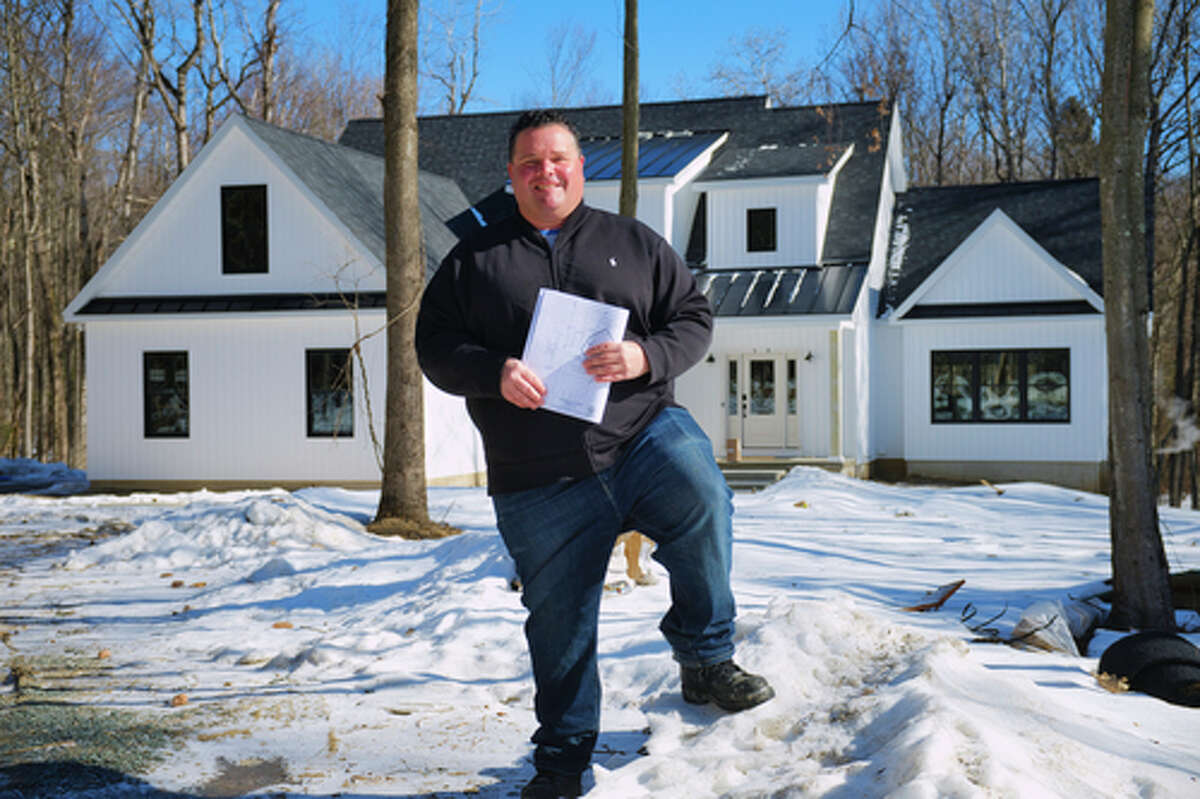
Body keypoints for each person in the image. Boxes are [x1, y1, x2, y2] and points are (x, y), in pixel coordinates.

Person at [415, 109, 774, 799]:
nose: (545, 172)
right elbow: (433, 347)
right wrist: (493, 370)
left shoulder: (632, 242)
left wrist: (645, 354)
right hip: (537, 474)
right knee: (559, 620)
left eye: (558, 160)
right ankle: (563, 757)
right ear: (511, 175)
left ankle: (705, 657)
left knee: (701, 490)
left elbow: (694, 318)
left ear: (581, 167)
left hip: (640, 435)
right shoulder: (474, 259)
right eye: (529, 163)